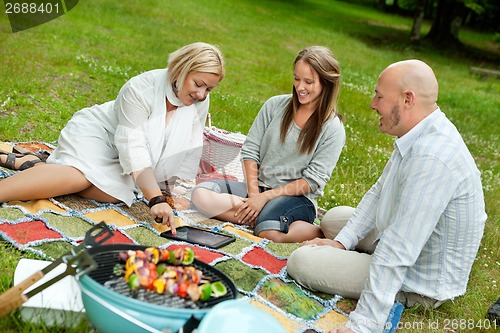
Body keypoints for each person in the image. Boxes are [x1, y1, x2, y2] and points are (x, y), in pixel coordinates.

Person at [286, 59, 487, 333]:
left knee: (302, 262)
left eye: (379, 96)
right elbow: (380, 192)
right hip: (408, 240)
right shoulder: (418, 132)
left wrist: (363, 325)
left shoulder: (433, 157)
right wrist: (342, 243)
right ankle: (348, 247)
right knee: (334, 221)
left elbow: (399, 247)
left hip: (418, 279)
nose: (372, 104)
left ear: (407, 99)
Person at [0, 42, 225, 234]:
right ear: (181, 69)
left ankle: (35, 165)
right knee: (80, 178)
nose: (202, 95)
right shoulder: (140, 89)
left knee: (114, 194)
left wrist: (168, 187)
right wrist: (155, 199)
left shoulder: (199, 102)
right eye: (198, 84)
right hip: (98, 135)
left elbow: (189, 142)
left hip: (123, 155)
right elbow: (133, 147)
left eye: (209, 89)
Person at [190, 46, 346, 243]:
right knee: (200, 195)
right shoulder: (274, 105)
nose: (300, 87)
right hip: (257, 188)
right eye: (296, 78)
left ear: (327, 83)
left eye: (308, 82)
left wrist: (264, 199)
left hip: (297, 199)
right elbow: (250, 151)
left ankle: (319, 231)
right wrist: (255, 194)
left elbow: (312, 181)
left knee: (268, 233)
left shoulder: (333, 128)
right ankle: (260, 217)